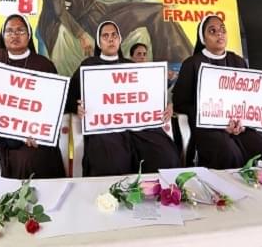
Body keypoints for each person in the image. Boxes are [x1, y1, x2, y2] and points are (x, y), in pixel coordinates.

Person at [66, 21, 180, 176]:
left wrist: (167, 105)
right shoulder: (88, 65)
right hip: (105, 128)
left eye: (114, 35)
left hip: (137, 127)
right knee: (113, 160)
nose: (111, 39)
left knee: (165, 155)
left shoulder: (130, 65)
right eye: (105, 36)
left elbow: (148, 96)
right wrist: (76, 106)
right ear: (99, 42)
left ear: (120, 39)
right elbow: (70, 96)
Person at [0, 14, 66, 180]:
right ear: (3, 35)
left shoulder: (43, 65)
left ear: (29, 35)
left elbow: (51, 106)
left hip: (31, 137)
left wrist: (39, 134)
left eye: (20, 31)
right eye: (9, 31)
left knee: (27, 161)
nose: (14, 35)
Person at [172, 15, 262, 169]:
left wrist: (243, 122)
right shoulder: (192, 63)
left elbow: (248, 99)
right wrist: (214, 118)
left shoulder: (238, 61)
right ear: (203, 38)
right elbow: (180, 103)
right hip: (208, 127)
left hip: (241, 125)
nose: (219, 34)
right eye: (212, 31)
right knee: (229, 153)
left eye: (222, 30)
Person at [37, 0, 193, 75]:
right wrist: (81, 35)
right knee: (139, 12)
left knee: (154, 10)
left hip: (103, 11)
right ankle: (176, 63)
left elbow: (98, 3)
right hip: (92, 23)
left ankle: (178, 63)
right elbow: (60, 12)